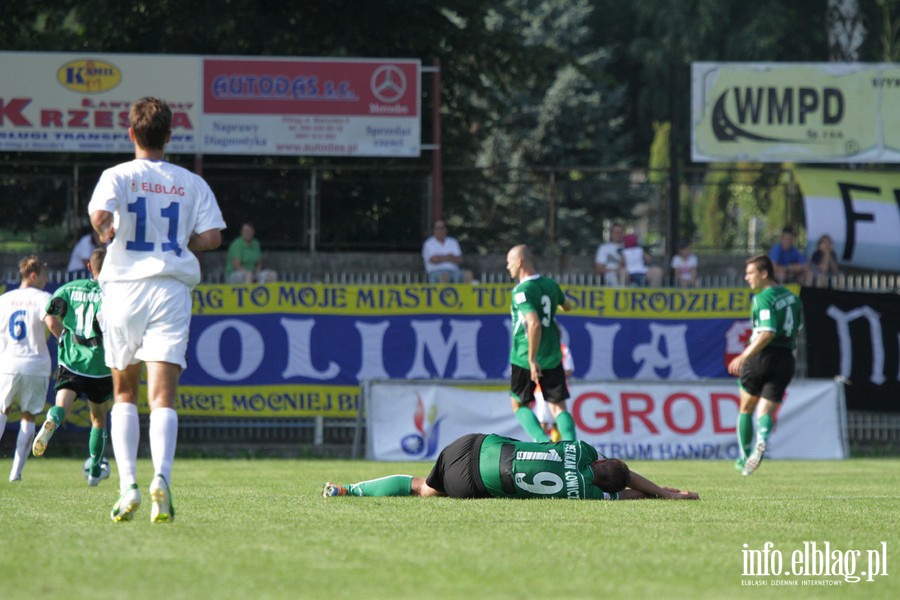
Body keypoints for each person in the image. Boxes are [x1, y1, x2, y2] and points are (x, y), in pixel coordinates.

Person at [89, 96, 226, 523]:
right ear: (169, 136)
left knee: (124, 391)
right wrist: (182, 240)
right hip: (170, 289)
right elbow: (213, 237)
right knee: (163, 395)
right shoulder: (189, 182)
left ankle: (128, 483)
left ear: (131, 133)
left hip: (125, 288)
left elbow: (99, 217)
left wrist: (107, 229)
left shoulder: (117, 175)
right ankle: (161, 479)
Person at [322, 433, 700, 501]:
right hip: (470, 481)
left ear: (599, 460)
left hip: (472, 443)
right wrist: (665, 495)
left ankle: (350, 489)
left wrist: (664, 491)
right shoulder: (586, 492)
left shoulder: (582, 450)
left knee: (420, 482)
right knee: (423, 489)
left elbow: (626, 474)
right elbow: (628, 488)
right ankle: (346, 492)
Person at [32, 248, 112, 486]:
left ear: (89, 267)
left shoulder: (70, 288)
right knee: (98, 419)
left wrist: (60, 337)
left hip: (72, 359)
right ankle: (95, 470)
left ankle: (53, 421)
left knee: (61, 406)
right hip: (100, 364)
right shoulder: (113, 294)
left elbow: (49, 313)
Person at [727, 254, 803, 476]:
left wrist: (744, 355)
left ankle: (744, 459)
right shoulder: (793, 297)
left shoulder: (762, 298)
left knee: (746, 407)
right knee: (766, 411)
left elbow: (767, 332)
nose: (746, 277)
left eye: (750, 273)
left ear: (763, 273)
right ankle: (762, 438)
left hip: (761, 357)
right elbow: (796, 329)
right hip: (786, 358)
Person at [506, 244, 576, 442]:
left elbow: (534, 323)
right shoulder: (551, 285)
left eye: (509, 263)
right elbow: (567, 306)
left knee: (519, 404)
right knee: (558, 406)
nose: (508, 267)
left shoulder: (521, 291)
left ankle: (543, 443)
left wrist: (532, 359)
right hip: (552, 354)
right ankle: (572, 447)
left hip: (525, 357)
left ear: (519, 262)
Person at [0, 256, 59, 482]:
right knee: (29, 416)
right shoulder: (43, 298)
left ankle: (15, 472)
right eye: (44, 274)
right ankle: (15, 473)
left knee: (2, 411)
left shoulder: (5, 299)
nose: (47, 279)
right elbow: (52, 323)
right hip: (35, 365)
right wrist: (65, 339)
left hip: (7, 364)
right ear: (33, 275)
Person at [532, 339, 574, 442]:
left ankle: (556, 445)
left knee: (557, 420)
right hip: (541, 389)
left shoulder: (562, 348)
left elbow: (568, 369)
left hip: (558, 388)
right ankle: (539, 446)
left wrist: (552, 375)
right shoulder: (536, 347)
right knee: (543, 421)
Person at [422, 219, 473, 283]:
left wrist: (441, 257)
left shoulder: (453, 242)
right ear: (433, 230)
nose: (440, 230)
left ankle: (466, 293)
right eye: (438, 228)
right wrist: (449, 257)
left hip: (454, 271)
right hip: (436, 272)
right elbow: (434, 260)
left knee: (468, 274)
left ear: (446, 230)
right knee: (445, 275)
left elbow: (459, 260)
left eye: (442, 228)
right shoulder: (428, 243)